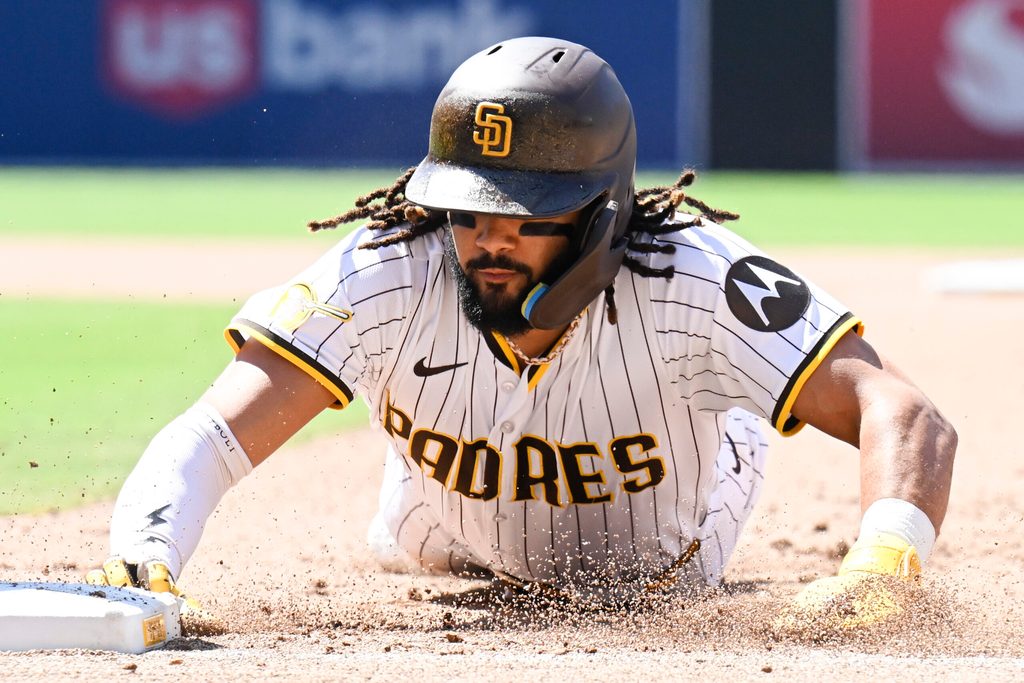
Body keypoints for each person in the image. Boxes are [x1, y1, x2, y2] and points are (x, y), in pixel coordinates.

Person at [86, 37, 956, 629]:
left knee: (708, 463)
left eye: (524, 213)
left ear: (602, 210)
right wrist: (143, 555)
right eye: (466, 208)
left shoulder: (694, 277)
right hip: (440, 529)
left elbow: (906, 412)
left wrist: (885, 561)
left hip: (669, 549)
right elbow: (213, 430)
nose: (487, 238)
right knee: (410, 540)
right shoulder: (389, 266)